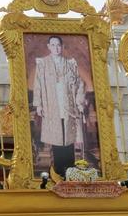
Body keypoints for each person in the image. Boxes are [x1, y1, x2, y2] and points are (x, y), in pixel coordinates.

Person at [32, 36, 87, 176]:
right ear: (48, 46)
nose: (56, 48)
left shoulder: (70, 63)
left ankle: (70, 171)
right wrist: (38, 104)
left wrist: (79, 101)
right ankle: (58, 171)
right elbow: (37, 84)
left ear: (62, 47)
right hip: (51, 104)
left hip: (67, 104)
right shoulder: (42, 64)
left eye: (58, 45)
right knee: (56, 137)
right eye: (53, 45)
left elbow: (80, 83)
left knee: (68, 136)